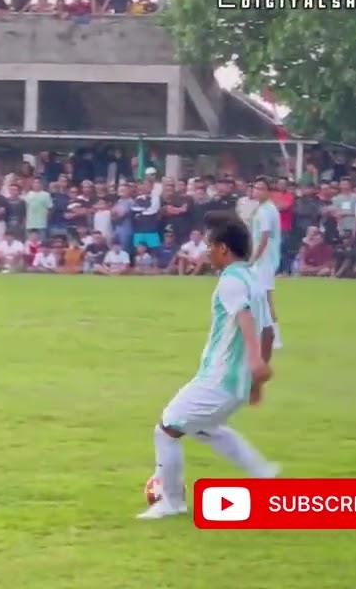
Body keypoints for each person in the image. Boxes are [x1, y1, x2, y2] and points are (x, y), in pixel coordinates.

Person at [138, 211, 279, 520]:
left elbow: (245, 319)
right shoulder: (254, 280)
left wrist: (255, 361)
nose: (207, 252)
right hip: (237, 383)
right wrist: (257, 381)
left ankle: (172, 502)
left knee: (167, 430)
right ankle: (263, 473)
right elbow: (268, 329)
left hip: (219, 377)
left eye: (210, 246)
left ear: (223, 249)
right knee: (206, 428)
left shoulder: (230, 281)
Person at [248, 177, 283, 379]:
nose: (256, 191)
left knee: (265, 299)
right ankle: (268, 336)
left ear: (268, 191)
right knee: (260, 299)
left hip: (264, 261)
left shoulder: (266, 211)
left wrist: (254, 258)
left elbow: (264, 237)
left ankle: (274, 338)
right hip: (264, 261)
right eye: (255, 187)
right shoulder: (263, 209)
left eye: (261, 188)